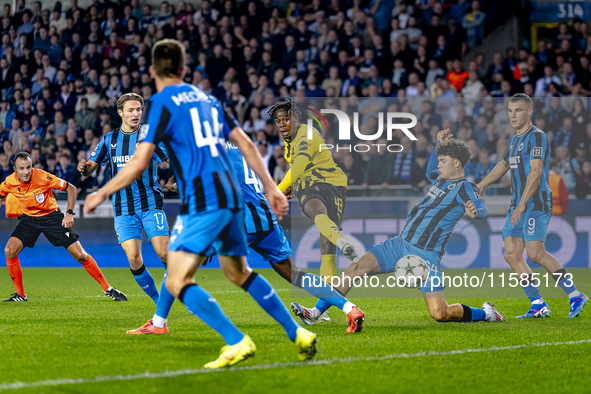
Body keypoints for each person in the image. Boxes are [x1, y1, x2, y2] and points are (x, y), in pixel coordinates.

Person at [84, 39, 317, 369]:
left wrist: (100, 193)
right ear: (183, 69)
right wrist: (272, 189)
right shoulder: (210, 100)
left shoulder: (160, 104)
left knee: (178, 280)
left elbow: (138, 162)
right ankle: (297, 333)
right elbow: (247, 144)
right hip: (233, 198)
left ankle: (236, 340)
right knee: (240, 272)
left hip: (203, 201)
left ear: (153, 71)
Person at [291, 130, 505, 324]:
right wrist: (439, 145)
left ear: (457, 163)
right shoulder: (440, 180)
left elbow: (481, 207)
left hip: (425, 256)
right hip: (399, 244)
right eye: (439, 160)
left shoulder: (465, 187)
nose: (438, 165)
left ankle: (485, 313)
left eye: (443, 161)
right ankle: (315, 313)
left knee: (440, 314)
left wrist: (476, 211)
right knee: (355, 268)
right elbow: (431, 167)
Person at [477, 94, 587, 319]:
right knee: (511, 254)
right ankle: (538, 303)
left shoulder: (537, 137)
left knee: (536, 253)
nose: (513, 115)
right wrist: (482, 184)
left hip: (535, 202)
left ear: (529, 111)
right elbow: (504, 164)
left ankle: (575, 294)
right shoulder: (515, 140)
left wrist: (523, 204)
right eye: (510, 111)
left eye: (518, 110)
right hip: (518, 204)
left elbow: (536, 173)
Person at [78, 93, 170, 305]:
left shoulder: (150, 137)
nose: (136, 113)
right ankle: (159, 303)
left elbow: (170, 160)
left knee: (164, 254)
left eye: (138, 109)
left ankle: (182, 285)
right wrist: (84, 168)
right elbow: (89, 168)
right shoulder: (108, 140)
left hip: (150, 204)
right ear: (120, 113)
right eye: (131, 110)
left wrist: (173, 178)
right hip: (123, 209)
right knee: (134, 258)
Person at [1, 152, 127, 302]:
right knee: (9, 250)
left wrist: (69, 214)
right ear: (15, 169)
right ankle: (20, 295)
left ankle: (108, 289)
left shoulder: (43, 177)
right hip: (29, 219)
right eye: (22, 168)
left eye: (29, 167)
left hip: (51, 217)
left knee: (81, 255)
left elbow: (71, 189)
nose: (26, 171)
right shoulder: (9, 182)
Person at [268, 97, 358, 288]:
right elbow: (298, 166)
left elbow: (300, 164)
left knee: (316, 213)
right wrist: (292, 184)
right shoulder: (289, 141)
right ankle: (341, 243)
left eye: (285, 118)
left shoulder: (307, 134)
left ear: (296, 119)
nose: (281, 124)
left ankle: (340, 241)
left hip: (327, 185)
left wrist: (277, 190)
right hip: (325, 185)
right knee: (327, 244)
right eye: (278, 120)